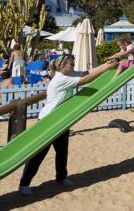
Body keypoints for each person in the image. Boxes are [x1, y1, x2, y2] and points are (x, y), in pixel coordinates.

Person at [18, 55, 117, 195]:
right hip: (48, 121)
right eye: (71, 64)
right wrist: (106, 68)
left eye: (74, 63)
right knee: (38, 154)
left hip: (61, 119)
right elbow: (85, 80)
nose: (73, 66)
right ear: (61, 66)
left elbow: (86, 73)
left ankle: (61, 177)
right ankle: (24, 184)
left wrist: (104, 64)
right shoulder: (60, 79)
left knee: (62, 151)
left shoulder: (68, 74)